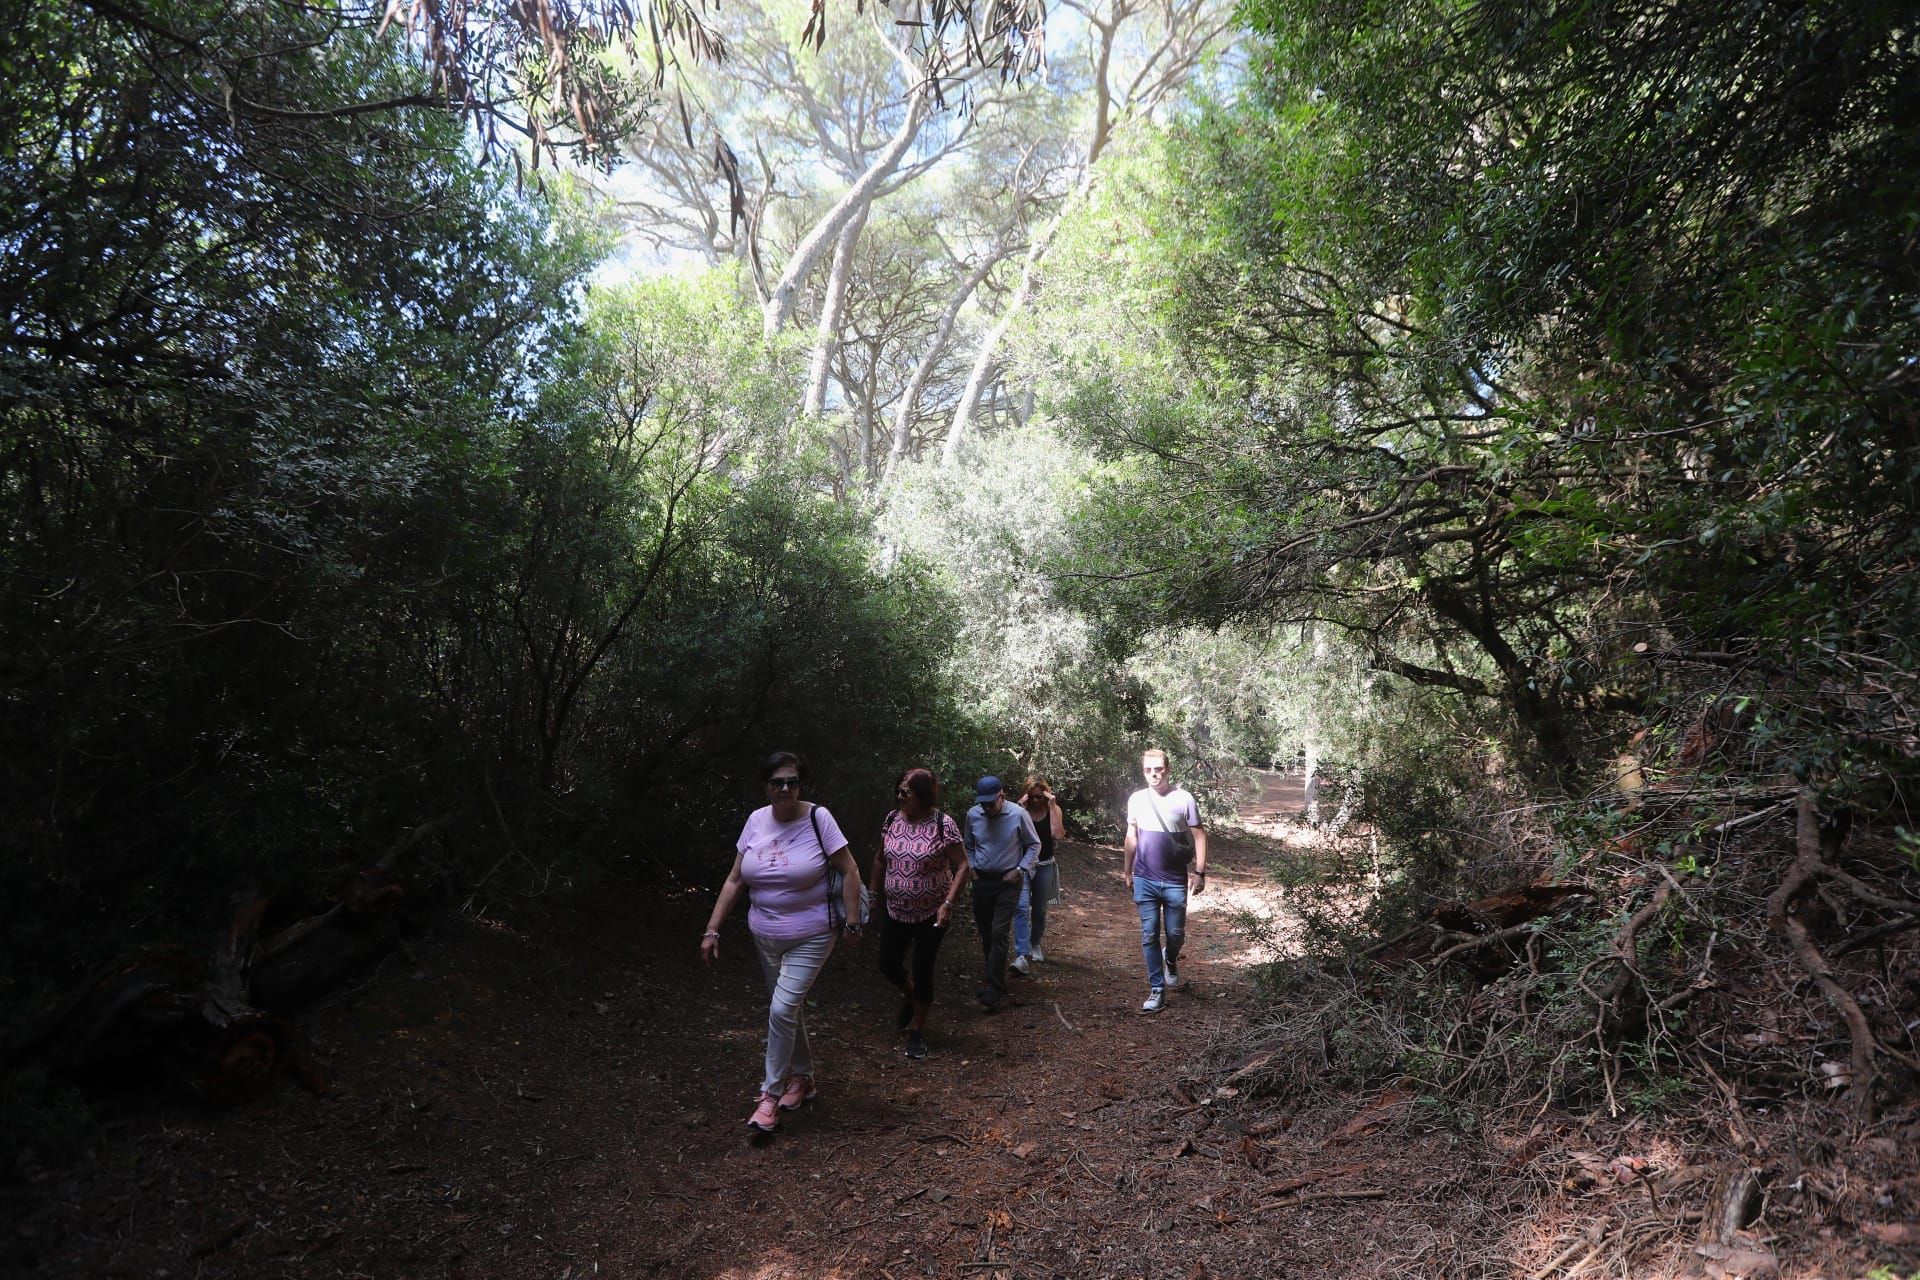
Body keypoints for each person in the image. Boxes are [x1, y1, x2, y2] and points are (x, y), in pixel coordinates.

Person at [700, 751, 864, 1134]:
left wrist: (853, 924)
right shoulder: (756, 820)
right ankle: (803, 1078)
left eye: (792, 781)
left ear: (801, 785)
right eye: (777, 782)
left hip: (813, 932)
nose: (785, 788)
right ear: (766, 786)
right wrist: (712, 930)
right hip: (765, 934)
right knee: (787, 1010)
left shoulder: (818, 818)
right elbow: (735, 880)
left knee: (781, 1009)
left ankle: (769, 1097)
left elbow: (850, 869)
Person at [867, 768, 970, 1059]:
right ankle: (911, 997)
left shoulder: (942, 824)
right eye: (898, 790)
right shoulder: (891, 820)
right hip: (894, 908)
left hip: (931, 912)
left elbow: (962, 866)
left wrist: (948, 903)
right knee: (888, 963)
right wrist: (873, 895)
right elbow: (878, 859)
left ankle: (918, 1031)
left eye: (906, 792)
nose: (900, 796)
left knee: (923, 969)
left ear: (923, 796)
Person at [1120, 748, 1208, 1013]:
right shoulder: (1136, 799)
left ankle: (1170, 959)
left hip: (1174, 881)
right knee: (1148, 936)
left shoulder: (1184, 799)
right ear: (1143, 771)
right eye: (1148, 770)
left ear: (1167, 769)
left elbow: (1200, 835)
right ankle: (1156, 990)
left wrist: (1200, 872)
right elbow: (1131, 835)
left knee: (1175, 934)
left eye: (1158, 769)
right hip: (1144, 878)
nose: (1153, 774)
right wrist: (1127, 870)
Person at [963, 775, 1040, 1011]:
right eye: (983, 803)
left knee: (998, 931)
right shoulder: (973, 815)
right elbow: (967, 845)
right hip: (982, 880)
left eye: (991, 802)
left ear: (1001, 796)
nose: (987, 808)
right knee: (986, 933)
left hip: (1008, 881)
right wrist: (973, 869)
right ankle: (994, 979)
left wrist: (1020, 870)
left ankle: (993, 988)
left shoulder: (1018, 814)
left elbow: (1034, 845)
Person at [1011, 775, 1065, 974]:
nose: (1035, 801)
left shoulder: (1053, 810)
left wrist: (1051, 807)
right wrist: (1020, 808)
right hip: (1023, 866)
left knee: (1040, 910)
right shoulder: (1018, 812)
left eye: (1039, 797)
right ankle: (1022, 954)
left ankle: (1035, 944)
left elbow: (1058, 835)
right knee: (1022, 907)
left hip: (1045, 865)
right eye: (1032, 797)